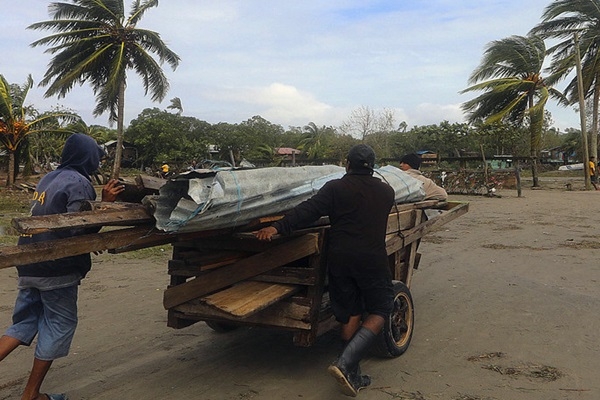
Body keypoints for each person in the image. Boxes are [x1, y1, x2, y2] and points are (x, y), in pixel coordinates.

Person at [254, 144, 395, 396]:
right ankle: (345, 363)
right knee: (380, 308)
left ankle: (351, 371)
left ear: (347, 164)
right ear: (373, 167)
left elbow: (306, 211)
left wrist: (276, 228)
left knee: (350, 311)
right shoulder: (386, 191)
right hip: (371, 259)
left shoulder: (335, 188)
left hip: (340, 259)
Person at [0, 133, 125, 400]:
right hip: (56, 267)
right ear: (86, 157)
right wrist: (107, 205)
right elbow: (75, 228)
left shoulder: (48, 178)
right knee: (59, 323)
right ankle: (31, 395)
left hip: (29, 262)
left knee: (27, 321)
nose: (97, 164)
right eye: (96, 158)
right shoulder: (79, 183)